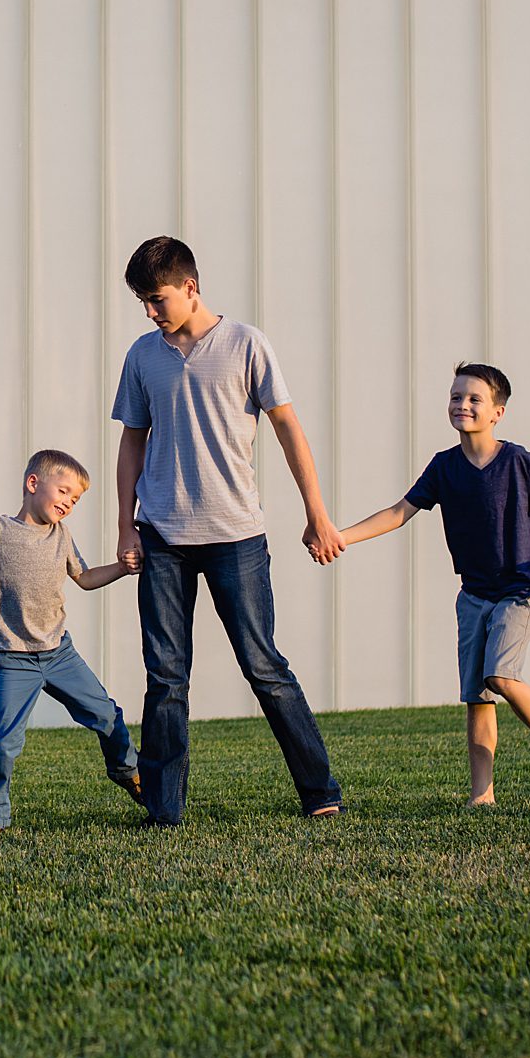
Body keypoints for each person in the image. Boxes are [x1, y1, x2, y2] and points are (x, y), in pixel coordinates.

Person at [113, 235, 346, 825]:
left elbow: (289, 428)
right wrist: (125, 525)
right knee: (165, 677)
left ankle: (320, 793)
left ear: (191, 286)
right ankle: (164, 811)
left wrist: (315, 512)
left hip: (236, 536)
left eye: (157, 298)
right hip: (162, 536)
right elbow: (131, 441)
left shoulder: (246, 345)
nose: (149, 311)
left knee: (263, 666)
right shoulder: (143, 356)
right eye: (142, 301)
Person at [335, 362, 530, 807]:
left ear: (498, 412)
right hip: (474, 594)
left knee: (500, 675)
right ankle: (482, 795)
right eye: (456, 397)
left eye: (475, 399)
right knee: (477, 696)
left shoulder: (517, 462)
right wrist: (342, 536)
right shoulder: (444, 467)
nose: (463, 405)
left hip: (519, 588)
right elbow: (400, 512)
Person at [0, 447, 141, 836]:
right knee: (3, 744)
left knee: (107, 714)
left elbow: (86, 578)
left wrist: (122, 571)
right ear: (33, 484)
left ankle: (129, 771)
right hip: (12, 659)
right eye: (64, 493)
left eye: (75, 500)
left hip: (60, 653)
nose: (69, 504)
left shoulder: (61, 536)